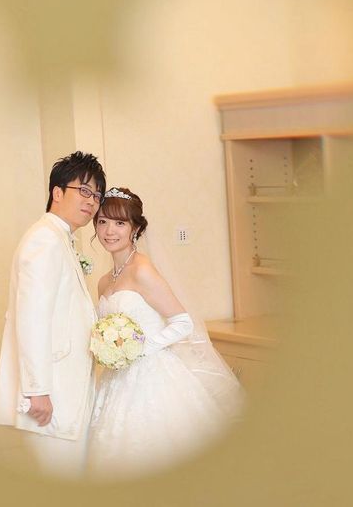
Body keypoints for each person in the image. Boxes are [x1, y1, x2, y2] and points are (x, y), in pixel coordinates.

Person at [88, 187, 243, 477]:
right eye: (103, 221)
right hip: (115, 379)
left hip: (153, 374)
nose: (109, 231)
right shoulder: (104, 281)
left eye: (120, 223)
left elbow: (183, 322)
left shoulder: (142, 269)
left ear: (135, 228)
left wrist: (137, 349)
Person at [0, 151, 106, 478]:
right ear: (57, 192)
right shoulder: (44, 240)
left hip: (65, 388)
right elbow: (32, 318)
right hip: (51, 395)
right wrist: (37, 390)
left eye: (96, 195)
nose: (92, 201)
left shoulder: (60, 238)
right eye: (83, 191)